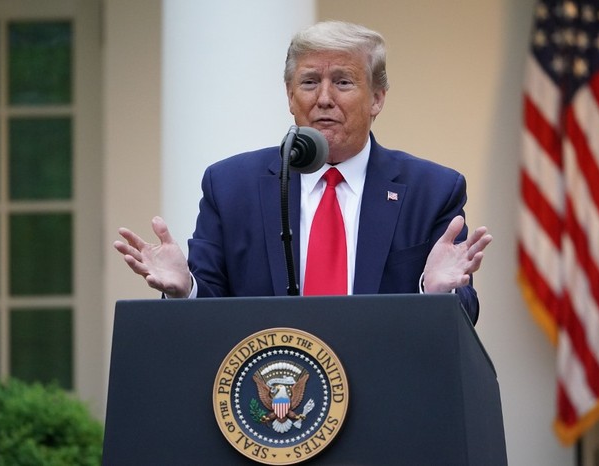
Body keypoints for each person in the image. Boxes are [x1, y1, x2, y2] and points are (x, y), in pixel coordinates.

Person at [113, 20, 492, 324]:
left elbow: (464, 316)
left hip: (387, 399)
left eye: (343, 82)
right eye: (309, 82)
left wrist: (437, 293)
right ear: (290, 96)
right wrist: (185, 289)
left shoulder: (432, 190)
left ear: (377, 98)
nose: (324, 98)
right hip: (268, 402)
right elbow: (209, 305)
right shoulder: (230, 186)